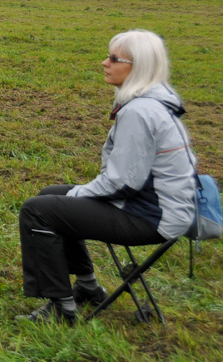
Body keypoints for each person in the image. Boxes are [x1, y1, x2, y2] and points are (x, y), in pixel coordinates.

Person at [16, 29, 198, 324]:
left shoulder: (140, 111)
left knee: (38, 210)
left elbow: (122, 182)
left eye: (114, 58)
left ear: (138, 67)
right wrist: (75, 195)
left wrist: (78, 193)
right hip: (154, 207)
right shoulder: (150, 102)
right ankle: (87, 287)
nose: (105, 63)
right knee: (50, 196)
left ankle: (61, 308)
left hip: (150, 217)